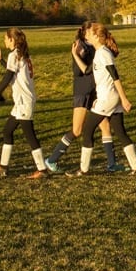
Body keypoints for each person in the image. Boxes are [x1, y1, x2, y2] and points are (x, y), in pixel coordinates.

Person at [72, 22, 136, 175]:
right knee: (120, 132)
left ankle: (83, 169)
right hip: (108, 98)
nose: (86, 35)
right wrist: (76, 55)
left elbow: (115, 76)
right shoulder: (99, 53)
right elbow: (86, 70)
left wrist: (124, 99)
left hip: (108, 99)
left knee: (88, 130)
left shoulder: (104, 53)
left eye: (89, 33)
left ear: (97, 36)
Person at [0, 27, 48, 177]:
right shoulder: (22, 55)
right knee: (7, 131)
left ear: (12, 40)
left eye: (5, 38)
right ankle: (3, 166)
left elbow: (7, 79)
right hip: (22, 101)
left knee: (29, 134)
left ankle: (42, 169)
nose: (4, 41)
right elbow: (14, 73)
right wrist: (2, 61)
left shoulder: (14, 55)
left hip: (23, 101)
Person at [42, 27, 95, 173]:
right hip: (82, 92)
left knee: (105, 127)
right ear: (84, 32)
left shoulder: (93, 46)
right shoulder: (80, 46)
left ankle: (111, 164)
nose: (94, 33)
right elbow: (78, 72)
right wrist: (77, 55)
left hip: (94, 91)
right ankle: (51, 160)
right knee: (77, 130)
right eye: (91, 31)